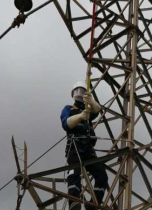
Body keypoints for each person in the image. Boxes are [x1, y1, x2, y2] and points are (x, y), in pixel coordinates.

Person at [60, 81, 108, 210]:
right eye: (78, 92)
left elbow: (97, 110)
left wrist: (91, 101)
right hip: (75, 148)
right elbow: (66, 124)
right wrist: (80, 117)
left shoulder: (87, 110)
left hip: (88, 149)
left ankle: (93, 204)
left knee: (101, 175)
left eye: (82, 92)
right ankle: (74, 204)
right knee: (74, 176)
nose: (80, 95)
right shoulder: (68, 109)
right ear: (73, 94)